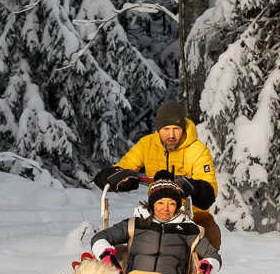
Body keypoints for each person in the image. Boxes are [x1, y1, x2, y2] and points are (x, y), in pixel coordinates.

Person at [81, 177, 220, 274]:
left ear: (177, 206)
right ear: (152, 204)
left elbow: (213, 255)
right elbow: (100, 238)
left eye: (171, 203)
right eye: (160, 202)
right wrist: (106, 256)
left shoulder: (188, 229)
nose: (165, 208)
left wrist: (207, 266)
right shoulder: (135, 224)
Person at [95, 101, 222, 250]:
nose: (171, 135)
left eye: (176, 128)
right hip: (156, 210)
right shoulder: (147, 145)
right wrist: (115, 178)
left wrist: (193, 187)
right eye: (166, 129)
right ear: (158, 129)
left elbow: (210, 192)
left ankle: (200, 270)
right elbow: (121, 168)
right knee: (132, 241)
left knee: (211, 237)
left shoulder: (198, 150)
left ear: (183, 128)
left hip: (192, 214)